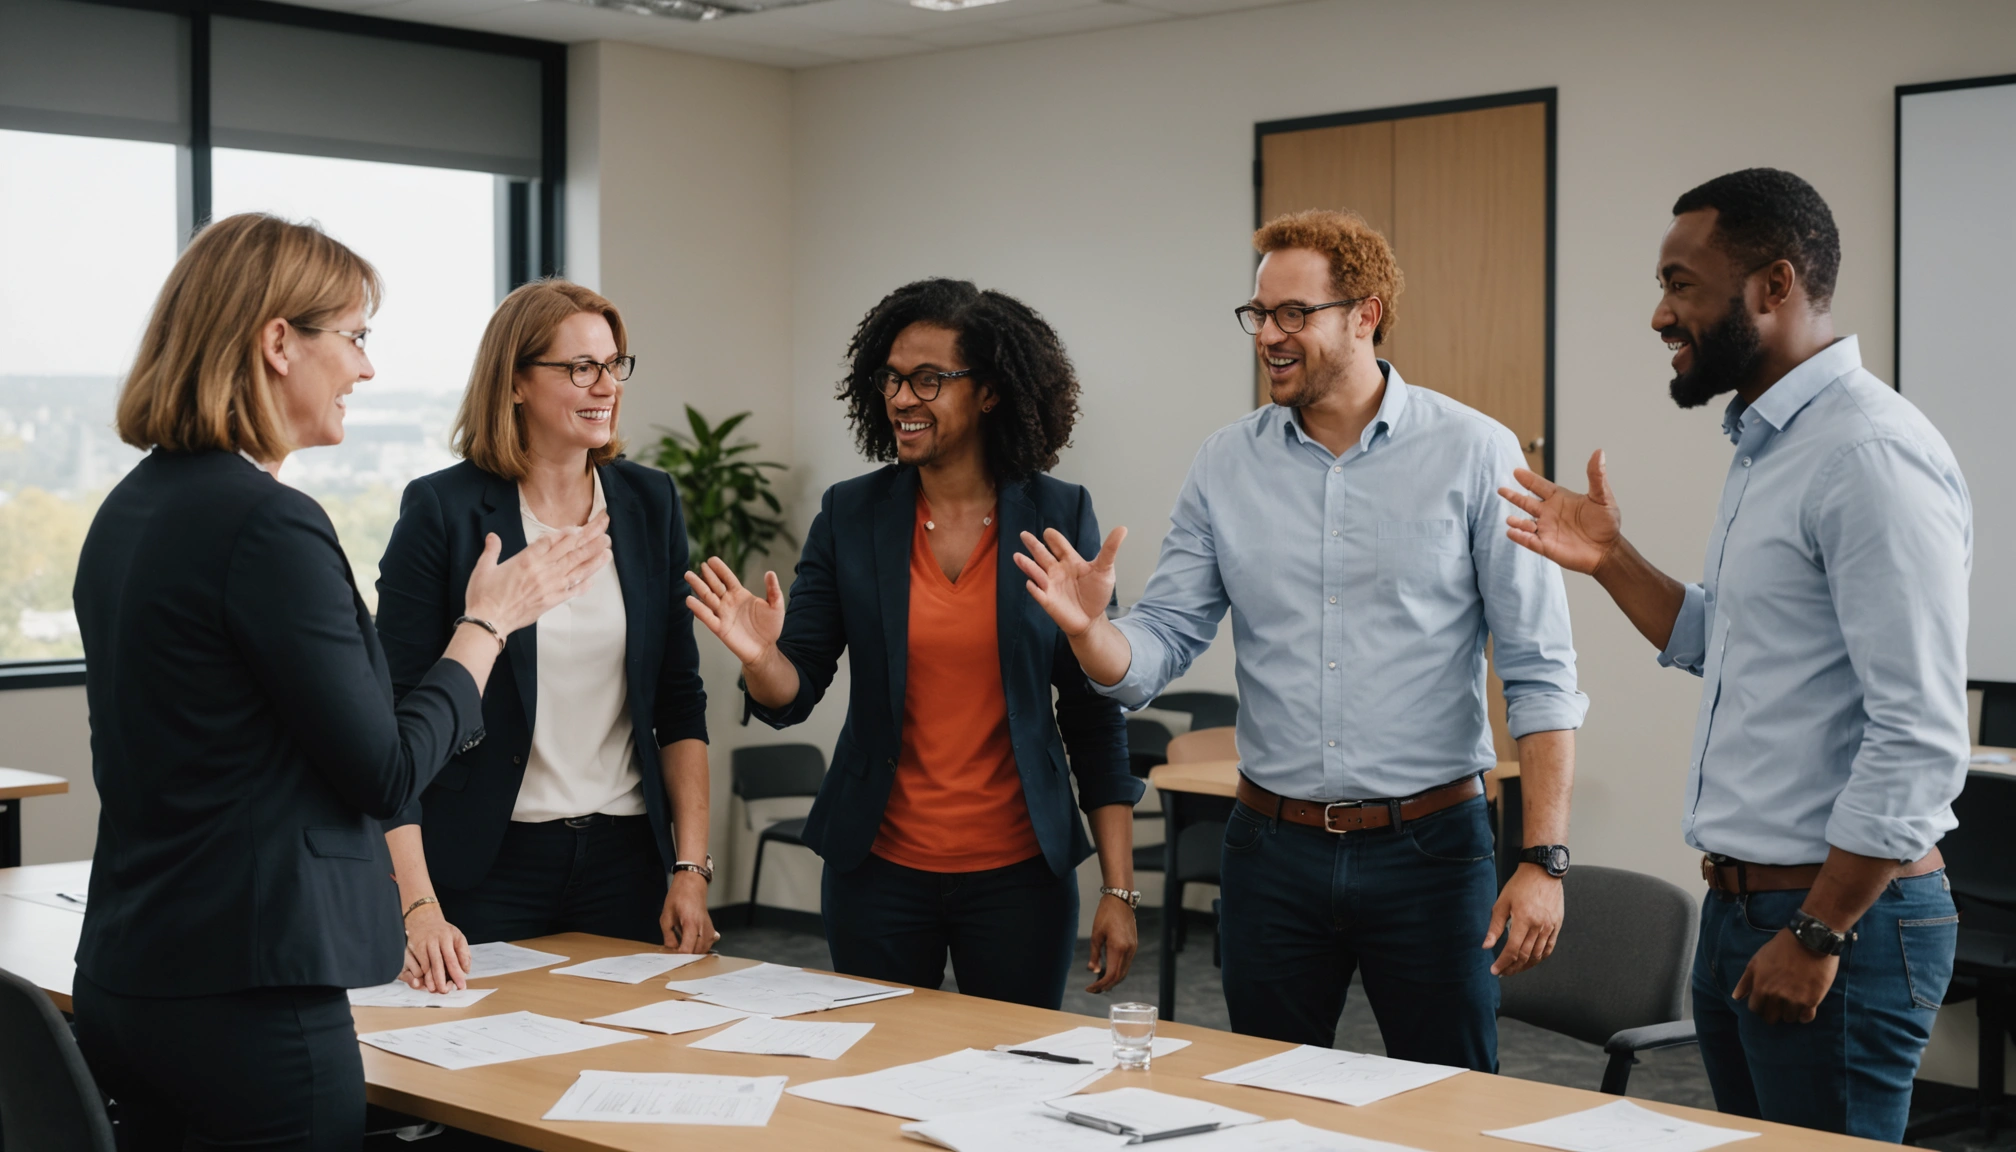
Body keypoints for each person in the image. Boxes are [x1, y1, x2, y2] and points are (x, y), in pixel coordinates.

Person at [69, 213, 608, 1151]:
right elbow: (386, 771)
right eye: (355, 338)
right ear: (279, 343)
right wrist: (488, 623)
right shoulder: (268, 525)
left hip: (136, 976)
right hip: (252, 997)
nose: (366, 369)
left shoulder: (131, 508)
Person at [1017, 209, 1586, 1071]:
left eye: (1293, 313)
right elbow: (1159, 643)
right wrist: (1093, 632)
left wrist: (1544, 859)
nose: (1268, 335)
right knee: (1267, 1097)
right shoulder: (1224, 464)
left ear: (1366, 316)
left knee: (1451, 1098)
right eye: (1258, 314)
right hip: (1272, 850)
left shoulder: (1475, 452)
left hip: (1431, 849)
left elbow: (1540, 671)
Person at [1499, 169, 1966, 1141]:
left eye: (1681, 285)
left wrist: (1819, 930)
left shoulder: (1866, 455)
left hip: (1838, 915)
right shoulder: (1774, 446)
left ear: (1773, 285)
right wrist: (1612, 560)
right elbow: (1729, 641)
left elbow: (1919, 734)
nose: (1660, 314)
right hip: (1746, 905)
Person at [683, 278, 1140, 1008]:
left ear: (988, 392)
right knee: (878, 1059)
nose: (901, 398)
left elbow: (1093, 712)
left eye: (929, 379)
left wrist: (1118, 888)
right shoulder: (852, 514)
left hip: (1019, 875)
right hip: (879, 871)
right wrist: (761, 657)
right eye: (891, 379)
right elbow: (792, 692)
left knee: (1013, 1060)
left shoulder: (1057, 514)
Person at [374, 279, 716, 992]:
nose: (606, 386)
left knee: (628, 1048)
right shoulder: (443, 509)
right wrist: (418, 906)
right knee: (483, 1053)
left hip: (626, 860)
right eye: (580, 367)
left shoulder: (650, 502)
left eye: (613, 364)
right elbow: (397, 716)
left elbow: (679, 701)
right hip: (486, 863)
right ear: (516, 382)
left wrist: (690, 868)